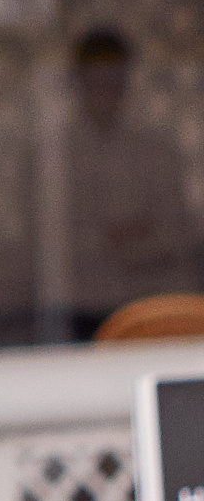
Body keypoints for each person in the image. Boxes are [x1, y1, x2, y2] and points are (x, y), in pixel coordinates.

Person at [65, 28, 199, 338]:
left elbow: (179, 230)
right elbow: (62, 245)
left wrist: (140, 242)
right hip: (86, 308)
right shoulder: (56, 160)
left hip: (158, 302)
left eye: (114, 82)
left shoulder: (157, 150)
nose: (106, 92)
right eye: (96, 82)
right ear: (79, 84)